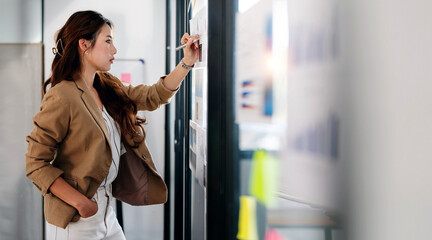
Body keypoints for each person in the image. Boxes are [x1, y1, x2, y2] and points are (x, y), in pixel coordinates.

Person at [25, 10, 199, 239]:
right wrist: (81, 203)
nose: (114, 50)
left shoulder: (106, 85)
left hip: (107, 210)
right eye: (108, 41)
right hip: (77, 218)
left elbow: (152, 96)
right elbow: (35, 163)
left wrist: (187, 62)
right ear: (84, 45)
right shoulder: (62, 96)